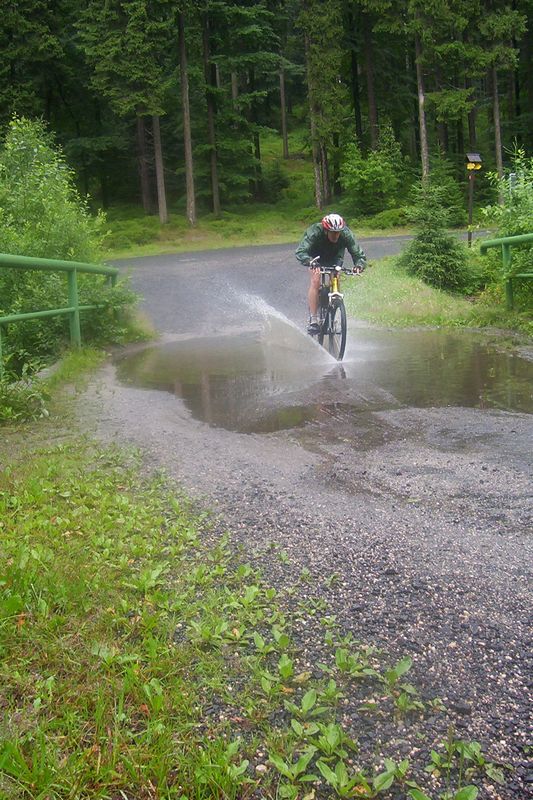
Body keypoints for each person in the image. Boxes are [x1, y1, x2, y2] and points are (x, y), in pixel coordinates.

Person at [295, 213, 367, 333]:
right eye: (333, 232)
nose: (336, 235)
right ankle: (314, 320)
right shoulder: (315, 231)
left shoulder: (346, 234)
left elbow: (358, 253)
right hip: (315, 257)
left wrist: (359, 265)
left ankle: (334, 307)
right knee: (315, 280)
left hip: (335, 258)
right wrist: (309, 261)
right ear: (326, 230)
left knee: (335, 277)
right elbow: (301, 251)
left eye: (338, 232)